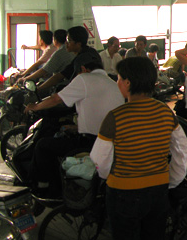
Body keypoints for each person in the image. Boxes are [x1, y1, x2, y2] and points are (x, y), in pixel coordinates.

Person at [91, 57, 187, 240]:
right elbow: (182, 150)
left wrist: (110, 178)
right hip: (157, 193)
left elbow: (99, 159)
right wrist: (171, 180)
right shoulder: (166, 112)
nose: (117, 82)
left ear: (126, 82)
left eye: (118, 78)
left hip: (123, 195)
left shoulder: (115, 117)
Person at [25, 51, 125, 196]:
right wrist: (77, 127)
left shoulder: (84, 78)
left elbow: (56, 99)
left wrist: (35, 107)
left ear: (83, 69)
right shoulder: (112, 83)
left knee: (43, 146)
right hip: (110, 143)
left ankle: (47, 189)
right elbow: (99, 113)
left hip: (89, 143)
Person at [37, 26, 100, 96]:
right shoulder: (91, 52)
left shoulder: (82, 59)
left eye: (69, 41)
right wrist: (40, 88)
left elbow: (59, 77)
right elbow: (61, 74)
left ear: (78, 44)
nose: (66, 43)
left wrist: (38, 89)